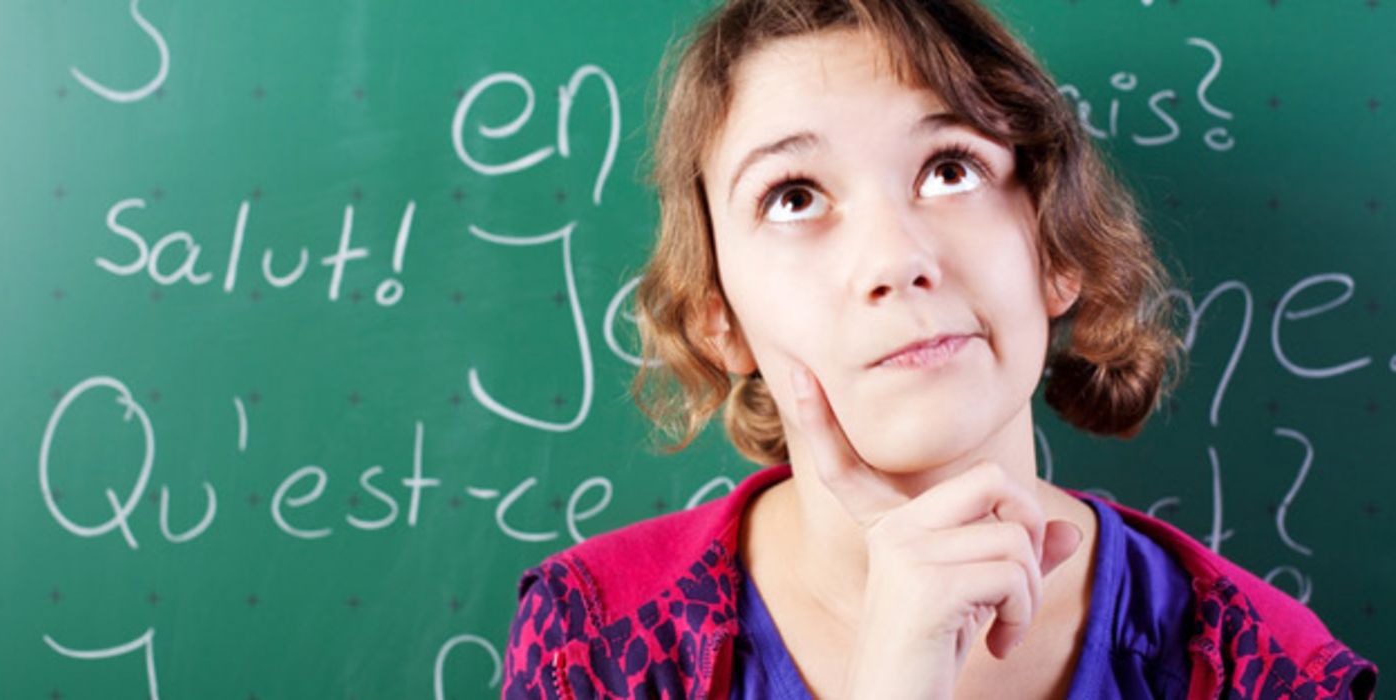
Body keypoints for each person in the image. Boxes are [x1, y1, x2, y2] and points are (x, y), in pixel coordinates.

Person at [501, 0, 1379, 697]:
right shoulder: (597, 646)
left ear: (1056, 252)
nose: (894, 260)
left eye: (949, 169)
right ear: (716, 319)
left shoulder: (1260, 669)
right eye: (794, 195)